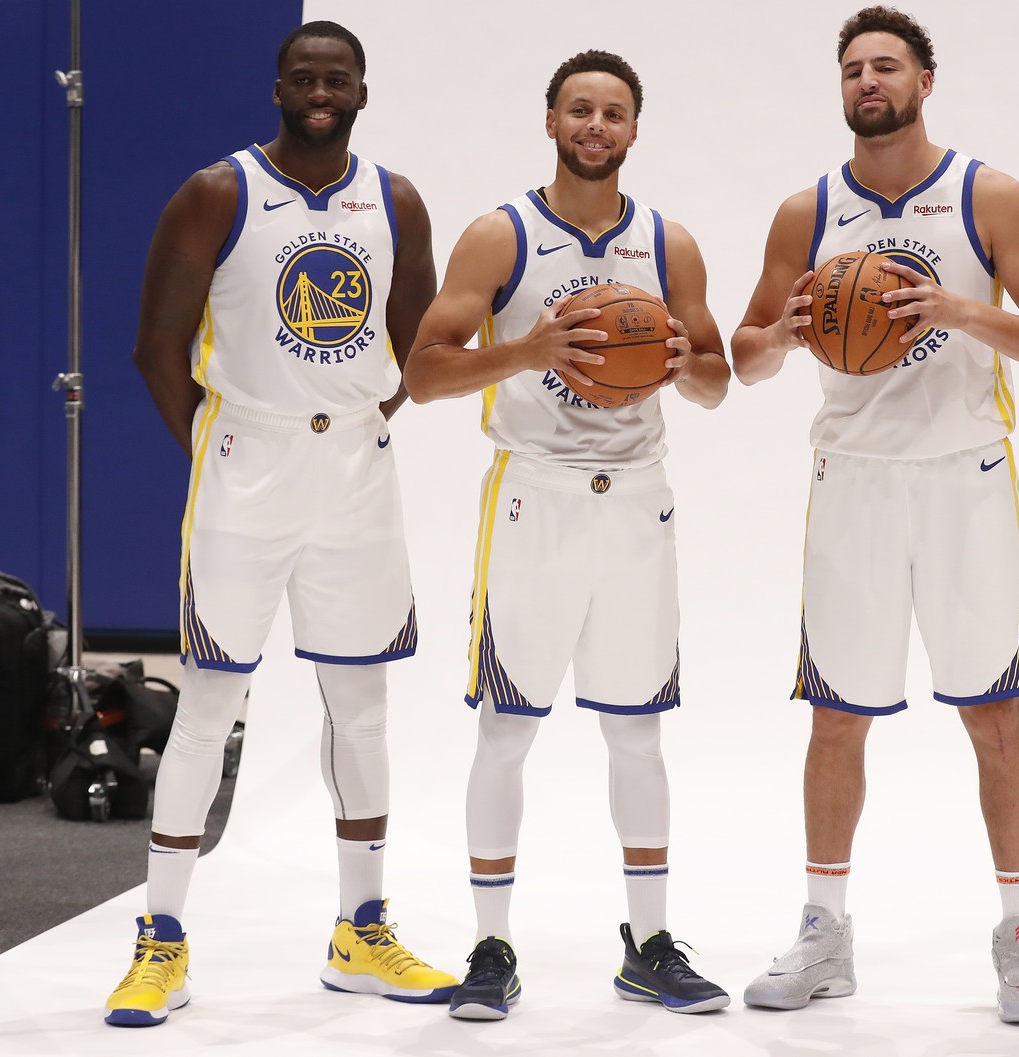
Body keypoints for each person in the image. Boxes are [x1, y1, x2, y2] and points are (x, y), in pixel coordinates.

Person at [731, 6, 1019, 1023]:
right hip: (854, 479)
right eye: (853, 70)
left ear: (926, 79)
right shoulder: (808, 210)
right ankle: (825, 930)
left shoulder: (988, 195)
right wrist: (791, 333)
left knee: (995, 714)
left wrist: (958, 311)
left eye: (886, 65)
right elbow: (744, 359)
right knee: (836, 717)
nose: (868, 82)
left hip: (965, 478)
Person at [105, 21, 456, 1026]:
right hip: (243, 466)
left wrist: (356, 423)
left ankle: (362, 929)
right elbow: (153, 345)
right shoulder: (220, 192)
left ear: (360, 91)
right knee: (210, 700)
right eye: (304, 76)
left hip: (354, 473)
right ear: (276, 89)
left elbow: (419, 351)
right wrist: (214, 450)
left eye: (335, 77)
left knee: (363, 706)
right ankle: (159, 940)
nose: (319, 89)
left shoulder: (395, 200)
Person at [403, 50, 731, 1020]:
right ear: (550, 121)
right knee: (508, 728)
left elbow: (716, 381)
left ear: (635, 132)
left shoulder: (669, 245)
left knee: (637, 731)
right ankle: (491, 946)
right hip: (532, 496)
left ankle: (649, 941)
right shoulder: (499, 237)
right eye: (580, 109)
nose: (596, 125)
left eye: (613, 113)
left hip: (637, 498)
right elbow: (423, 372)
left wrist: (676, 360)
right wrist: (530, 349)